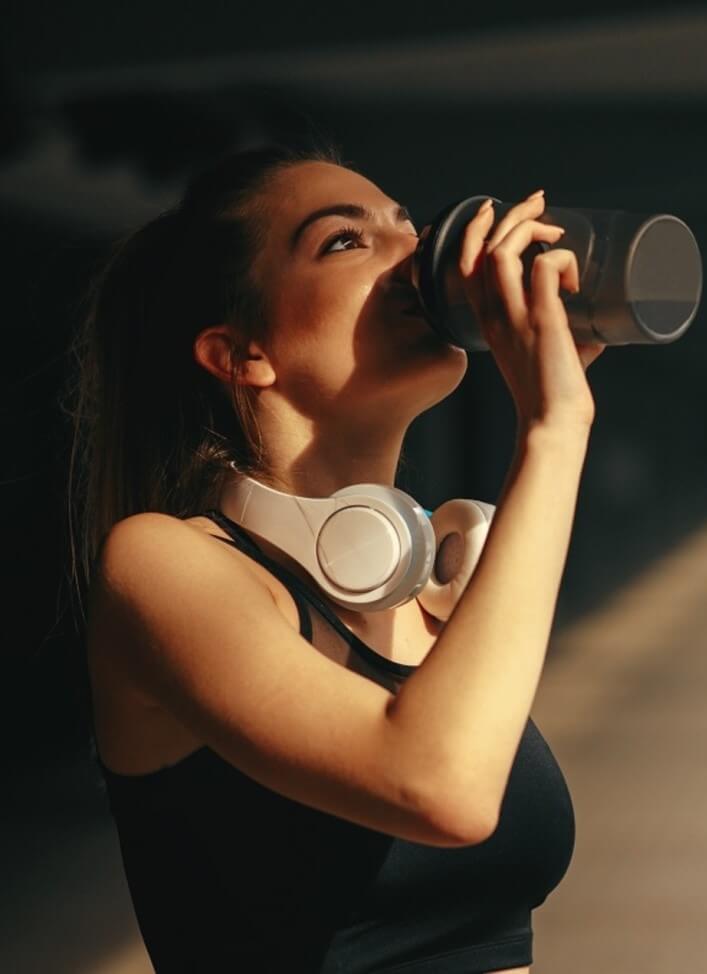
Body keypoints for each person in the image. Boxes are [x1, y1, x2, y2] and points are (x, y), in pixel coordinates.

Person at [70, 144, 601, 973]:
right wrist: (553, 430)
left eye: (410, 228)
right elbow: (440, 787)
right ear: (242, 353)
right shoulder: (164, 567)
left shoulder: (434, 596)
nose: (418, 257)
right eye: (346, 242)